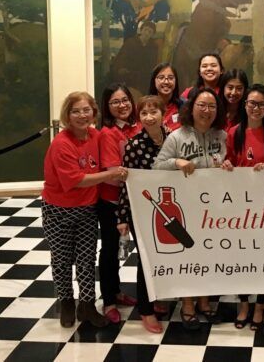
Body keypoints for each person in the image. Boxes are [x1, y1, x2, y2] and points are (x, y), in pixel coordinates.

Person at [42, 91, 127, 328]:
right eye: (75, 111)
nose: (82, 115)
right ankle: (67, 301)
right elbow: (76, 180)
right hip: (59, 209)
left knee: (86, 259)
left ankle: (87, 305)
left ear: (94, 112)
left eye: (86, 110)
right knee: (61, 259)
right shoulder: (61, 144)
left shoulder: (95, 135)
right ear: (67, 115)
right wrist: (110, 174)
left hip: (87, 209)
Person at [153, 87, 228, 330]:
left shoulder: (222, 136)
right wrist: (177, 161)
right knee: (189, 256)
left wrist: (228, 165)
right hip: (185, 208)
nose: (207, 111)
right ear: (191, 107)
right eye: (201, 105)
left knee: (210, 255)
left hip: (215, 209)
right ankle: (187, 304)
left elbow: (230, 166)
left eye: (212, 106)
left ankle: (204, 303)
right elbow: (156, 167)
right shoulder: (177, 136)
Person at [226, 84, 264, 330]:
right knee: (242, 254)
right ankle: (244, 302)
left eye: (262, 104)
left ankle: (260, 303)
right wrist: (228, 167)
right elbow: (228, 163)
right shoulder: (234, 133)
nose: (256, 108)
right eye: (252, 103)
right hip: (241, 207)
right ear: (245, 105)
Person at [116, 95, 170, 333]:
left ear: (163, 113)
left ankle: (156, 297)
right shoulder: (135, 144)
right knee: (146, 259)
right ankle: (146, 311)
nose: (149, 117)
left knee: (163, 255)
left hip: (170, 206)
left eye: (153, 112)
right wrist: (122, 217)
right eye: (144, 113)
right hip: (143, 209)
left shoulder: (173, 138)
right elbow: (127, 183)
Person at [97, 84, 140, 323]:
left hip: (137, 199)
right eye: (115, 102)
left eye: (125, 100)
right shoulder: (107, 133)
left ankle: (120, 292)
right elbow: (114, 172)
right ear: (107, 107)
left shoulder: (138, 126)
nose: (122, 105)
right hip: (112, 200)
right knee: (111, 250)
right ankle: (109, 299)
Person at [110, 20, 160, 93]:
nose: (147, 33)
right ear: (141, 30)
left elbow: (153, 63)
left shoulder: (153, 47)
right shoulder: (130, 42)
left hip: (144, 76)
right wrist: (122, 68)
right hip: (129, 74)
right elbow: (122, 57)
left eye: (150, 32)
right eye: (145, 30)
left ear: (152, 35)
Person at [148, 63, 182, 131]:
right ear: (154, 80)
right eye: (161, 78)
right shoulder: (145, 106)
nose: (166, 82)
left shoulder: (184, 106)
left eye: (170, 78)